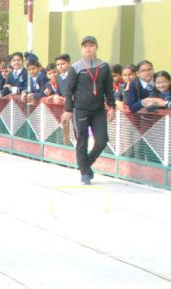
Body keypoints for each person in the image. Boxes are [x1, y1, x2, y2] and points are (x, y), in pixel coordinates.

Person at [62, 36, 114, 185]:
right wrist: (68, 110)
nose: (88, 48)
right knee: (82, 142)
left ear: (96, 47)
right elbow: (69, 90)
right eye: (85, 46)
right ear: (82, 49)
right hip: (81, 110)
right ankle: (85, 173)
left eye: (91, 45)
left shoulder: (103, 66)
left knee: (102, 141)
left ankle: (85, 165)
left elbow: (109, 88)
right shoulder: (75, 67)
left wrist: (112, 106)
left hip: (98, 110)